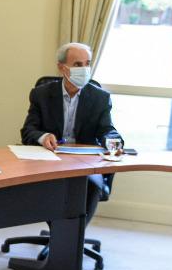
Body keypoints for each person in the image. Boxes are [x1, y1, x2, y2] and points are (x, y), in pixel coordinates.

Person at [21, 42, 121, 222]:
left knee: (90, 185)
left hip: (85, 163)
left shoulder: (100, 98)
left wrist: (114, 142)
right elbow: (28, 131)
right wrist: (43, 137)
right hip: (50, 161)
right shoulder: (41, 94)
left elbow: (107, 130)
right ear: (61, 67)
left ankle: (74, 239)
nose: (84, 69)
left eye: (87, 63)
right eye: (77, 64)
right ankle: (60, 238)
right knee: (49, 187)